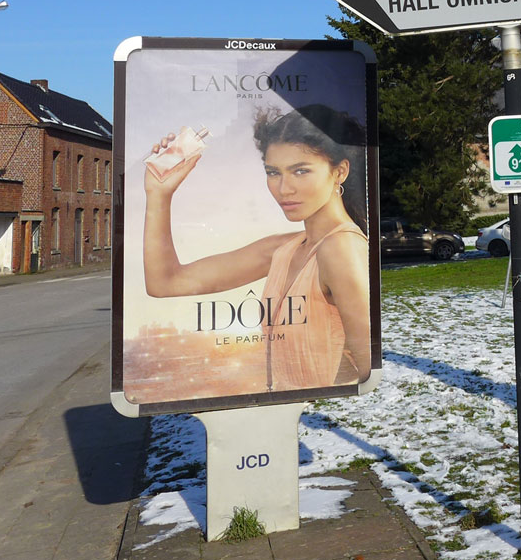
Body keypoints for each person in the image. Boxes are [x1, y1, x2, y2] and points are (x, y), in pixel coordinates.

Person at [142, 104, 370, 391]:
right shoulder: (283, 249)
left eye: (301, 171)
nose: (284, 188)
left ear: (340, 172)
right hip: (284, 415)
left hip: (319, 424)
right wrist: (159, 194)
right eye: (273, 172)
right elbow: (165, 283)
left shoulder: (342, 248)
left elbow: (367, 368)